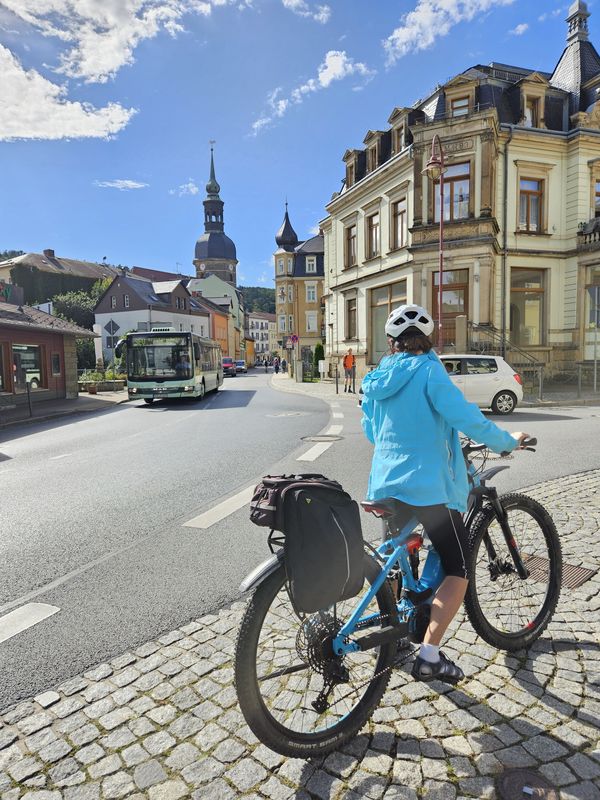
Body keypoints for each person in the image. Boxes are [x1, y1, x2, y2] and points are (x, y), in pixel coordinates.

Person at [360, 304, 530, 684]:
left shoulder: (377, 378)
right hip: (426, 486)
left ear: (391, 343)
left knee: (401, 557)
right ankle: (430, 657)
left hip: (385, 483)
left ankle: (400, 626)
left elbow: (372, 433)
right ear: (429, 339)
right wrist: (506, 441)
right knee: (458, 568)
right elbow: (465, 416)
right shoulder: (430, 370)